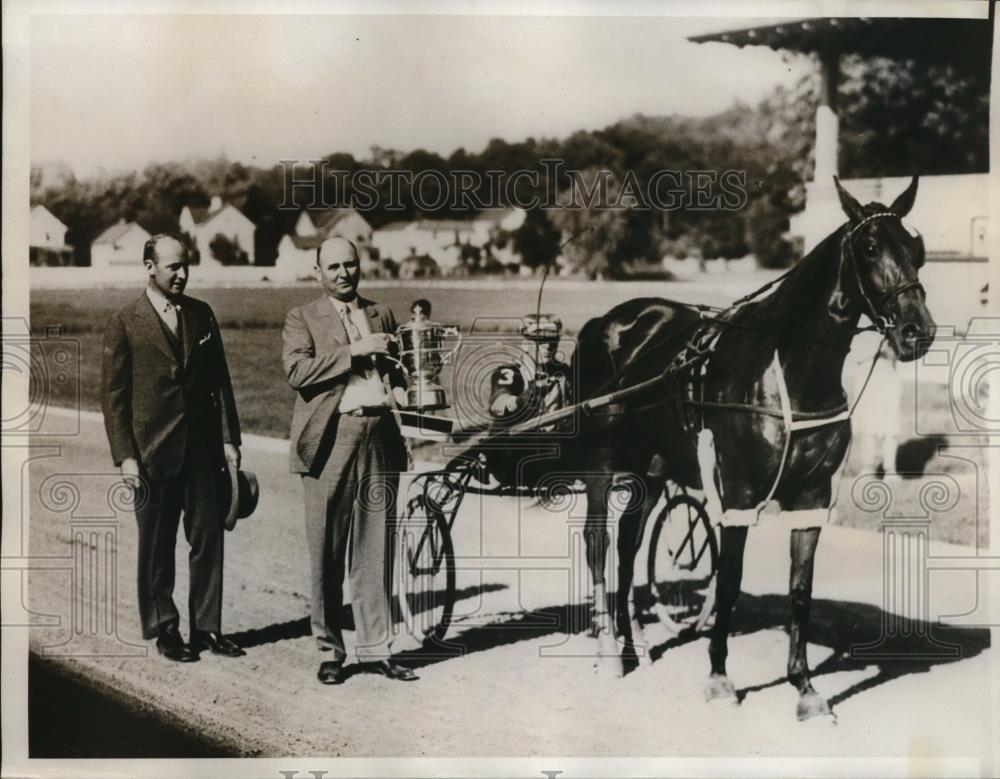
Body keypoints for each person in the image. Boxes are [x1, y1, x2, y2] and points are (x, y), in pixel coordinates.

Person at [101, 234, 244, 662]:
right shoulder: (125, 321)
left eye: (185, 266)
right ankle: (166, 628)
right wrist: (126, 456)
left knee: (209, 537)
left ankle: (208, 628)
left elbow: (220, 382)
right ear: (149, 267)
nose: (182, 274)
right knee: (156, 545)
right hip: (151, 453)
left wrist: (228, 440)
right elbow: (113, 396)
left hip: (202, 452)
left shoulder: (202, 315)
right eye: (172, 267)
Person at [282, 235, 417, 685]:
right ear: (317, 272)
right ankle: (331, 652)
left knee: (376, 548)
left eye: (351, 265)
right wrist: (353, 352)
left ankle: (377, 648)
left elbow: (399, 370)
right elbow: (297, 372)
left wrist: (403, 386)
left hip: (378, 435)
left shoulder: (380, 313)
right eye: (334, 266)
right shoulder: (302, 317)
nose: (343, 273)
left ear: (361, 267)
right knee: (327, 549)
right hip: (330, 439)